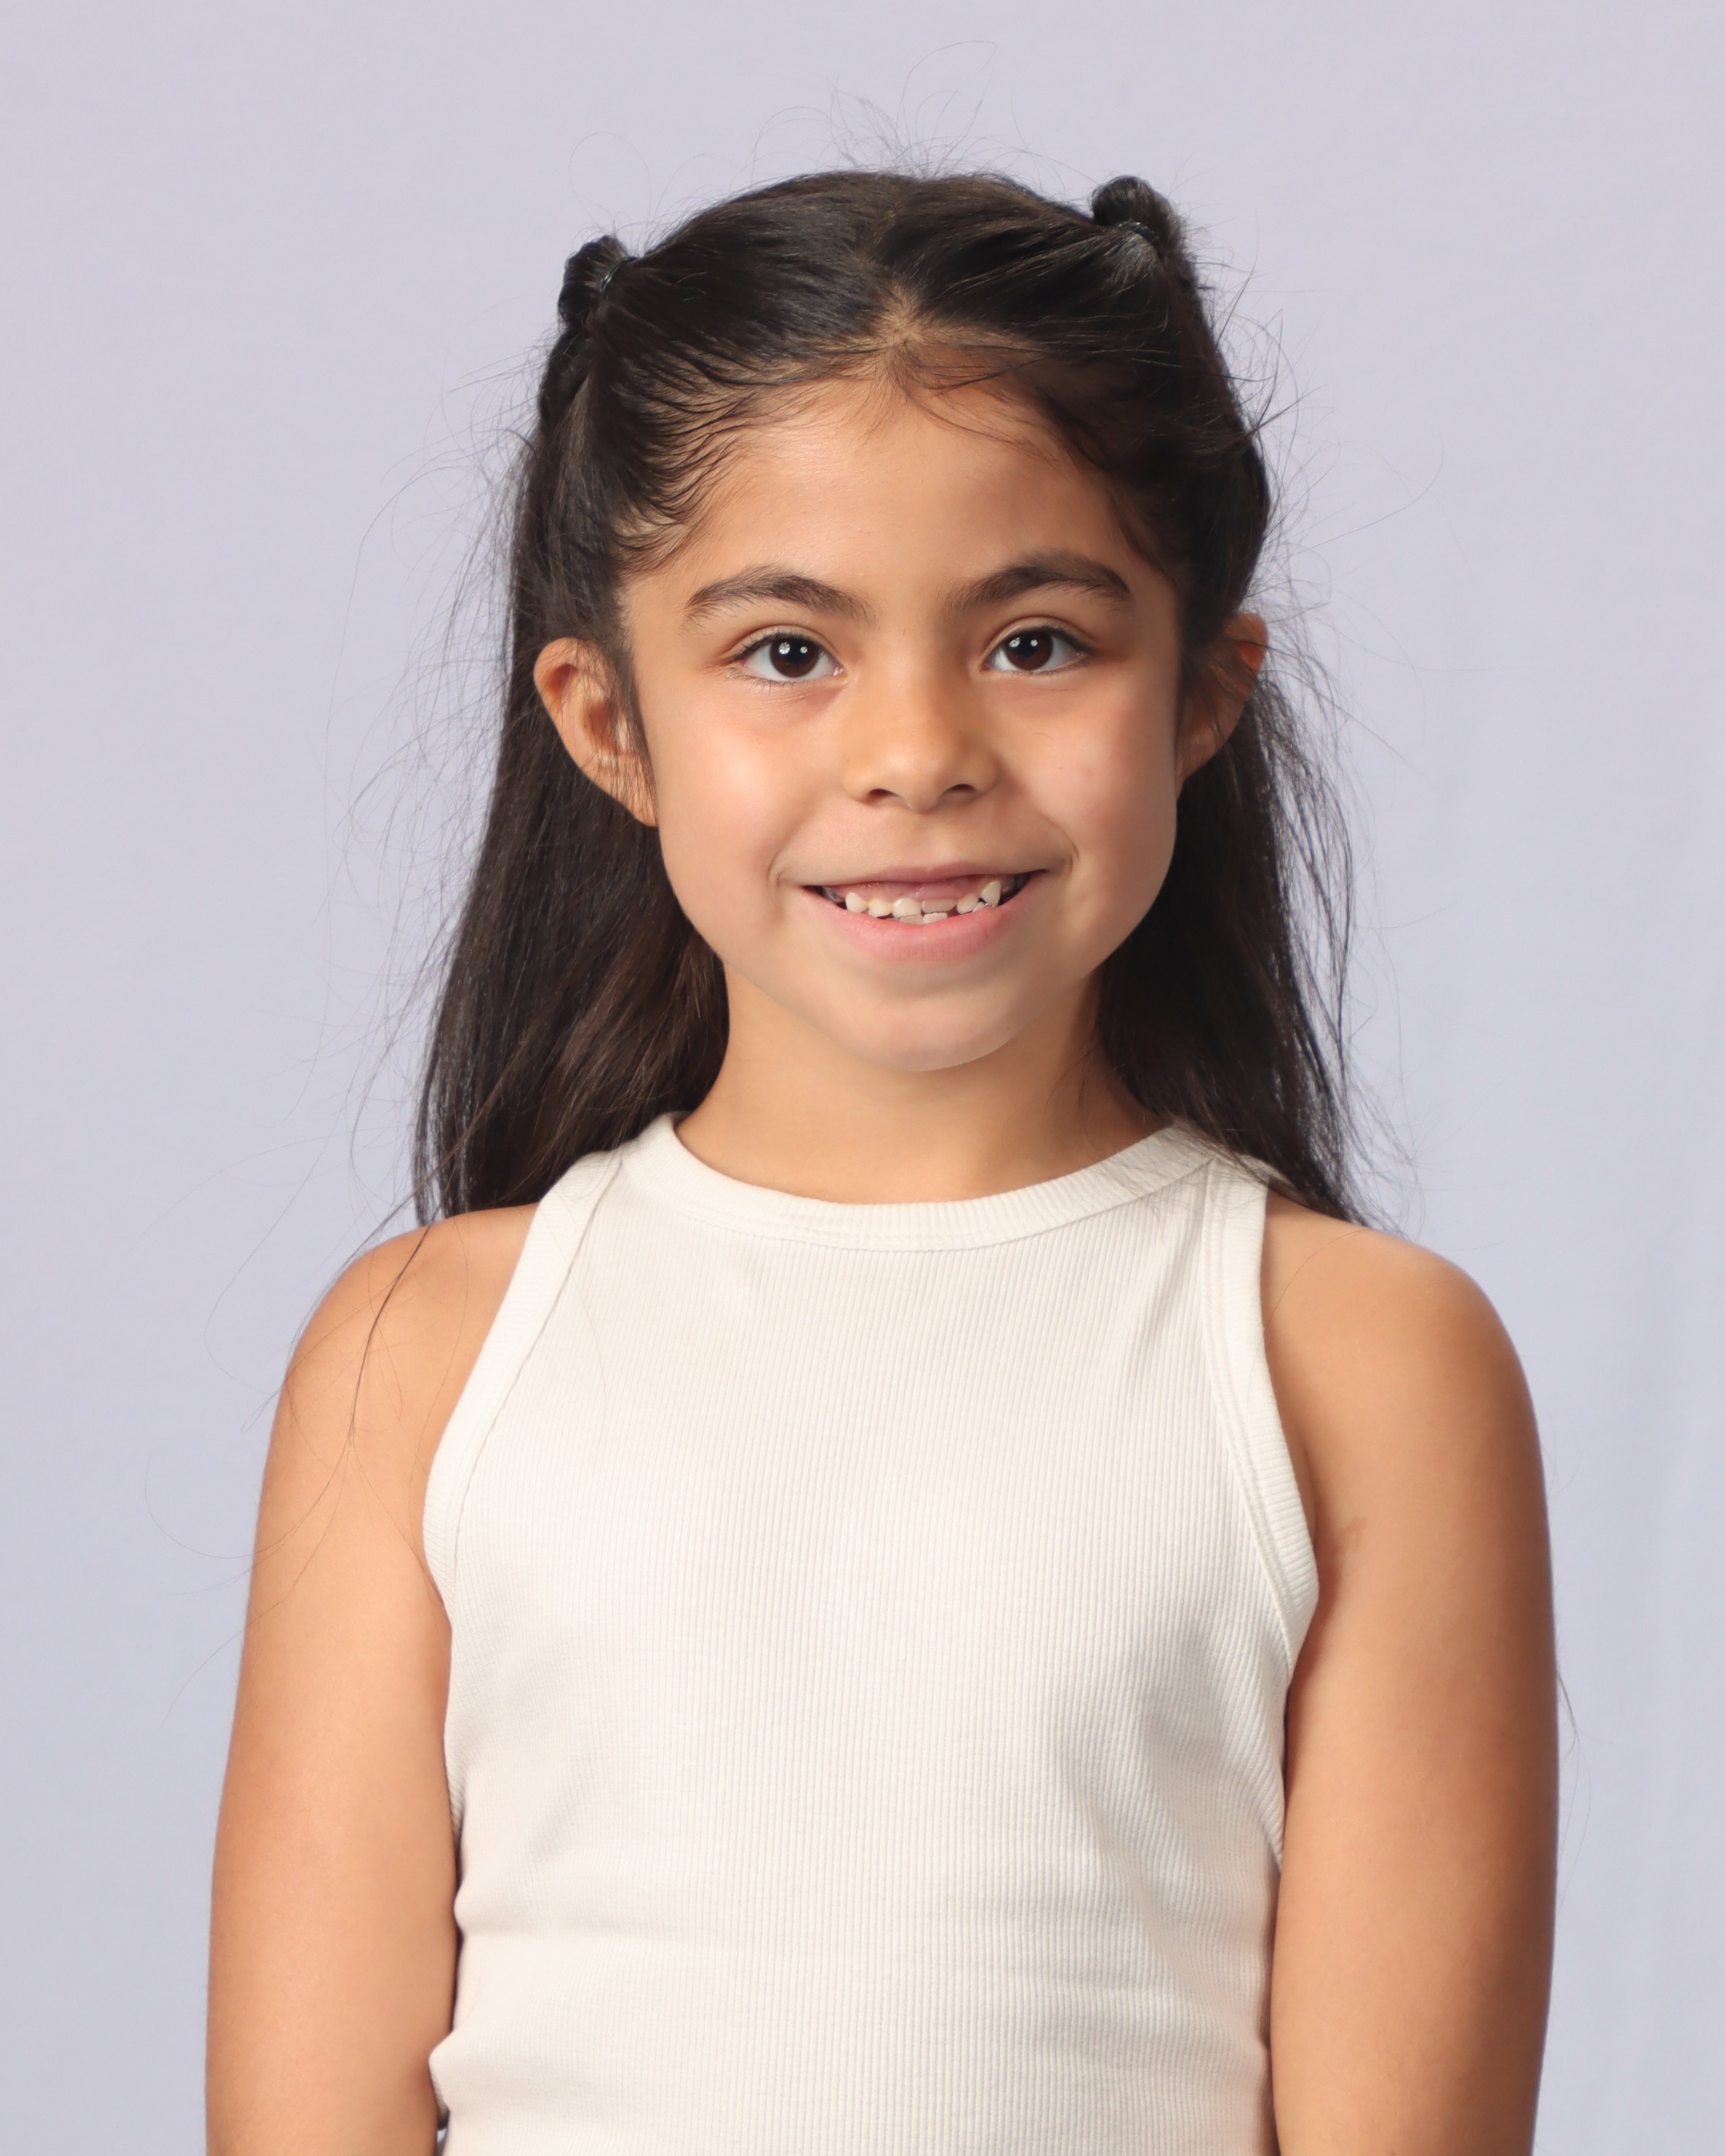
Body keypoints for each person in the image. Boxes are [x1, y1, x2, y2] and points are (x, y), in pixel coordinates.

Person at [206, 169, 1557, 2155]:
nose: (917, 752)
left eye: (1035, 641)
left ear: (1203, 693)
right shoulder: (423, 1353)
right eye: (785, 652)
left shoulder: (1358, 1363)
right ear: (608, 720)